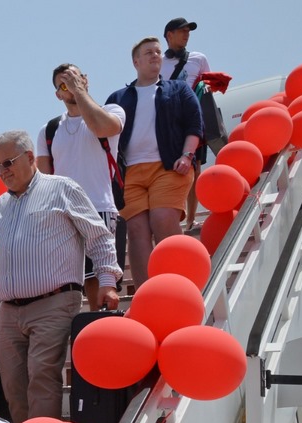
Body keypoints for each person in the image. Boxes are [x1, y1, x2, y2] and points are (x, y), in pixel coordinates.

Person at [0, 130, 121, 423]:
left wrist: (107, 281)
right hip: (9, 311)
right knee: (13, 387)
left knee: (42, 377)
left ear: (30, 157)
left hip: (54, 302)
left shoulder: (63, 188)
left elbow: (99, 237)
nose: (3, 171)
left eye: (8, 163)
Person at [106, 37, 203, 285]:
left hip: (168, 167)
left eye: (158, 52)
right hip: (130, 173)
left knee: (162, 219)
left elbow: (195, 125)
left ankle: (179, 285)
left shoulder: (178, 89)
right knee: (136, 230)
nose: (155, 55)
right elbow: (104, 136)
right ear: (135, 62)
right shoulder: (117, 97)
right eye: (148, 52)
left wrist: (187, 155)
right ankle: (146, 292)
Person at [36, 63, 126, 310]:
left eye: (75, 78)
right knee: (72, 281)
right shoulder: (49, 130)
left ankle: (102, 325)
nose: (71, 86)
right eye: (64, 85)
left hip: (99, 207)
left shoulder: (112, 111)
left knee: (101, 280)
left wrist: (78, 92)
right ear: (58, 94)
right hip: (64, 214)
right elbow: (43, 178)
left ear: (85, 80)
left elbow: (102, 128)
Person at [160, 17, 213, 230]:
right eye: (182, 31)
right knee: (167, 169)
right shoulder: (158, 61)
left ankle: (190, 220)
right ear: (169, 35)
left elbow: (208, 86)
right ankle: (172, 218)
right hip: (167, 121)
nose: (187, 34)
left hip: (192, 118)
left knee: (195, 168)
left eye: (188, 31)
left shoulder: (199, 58)